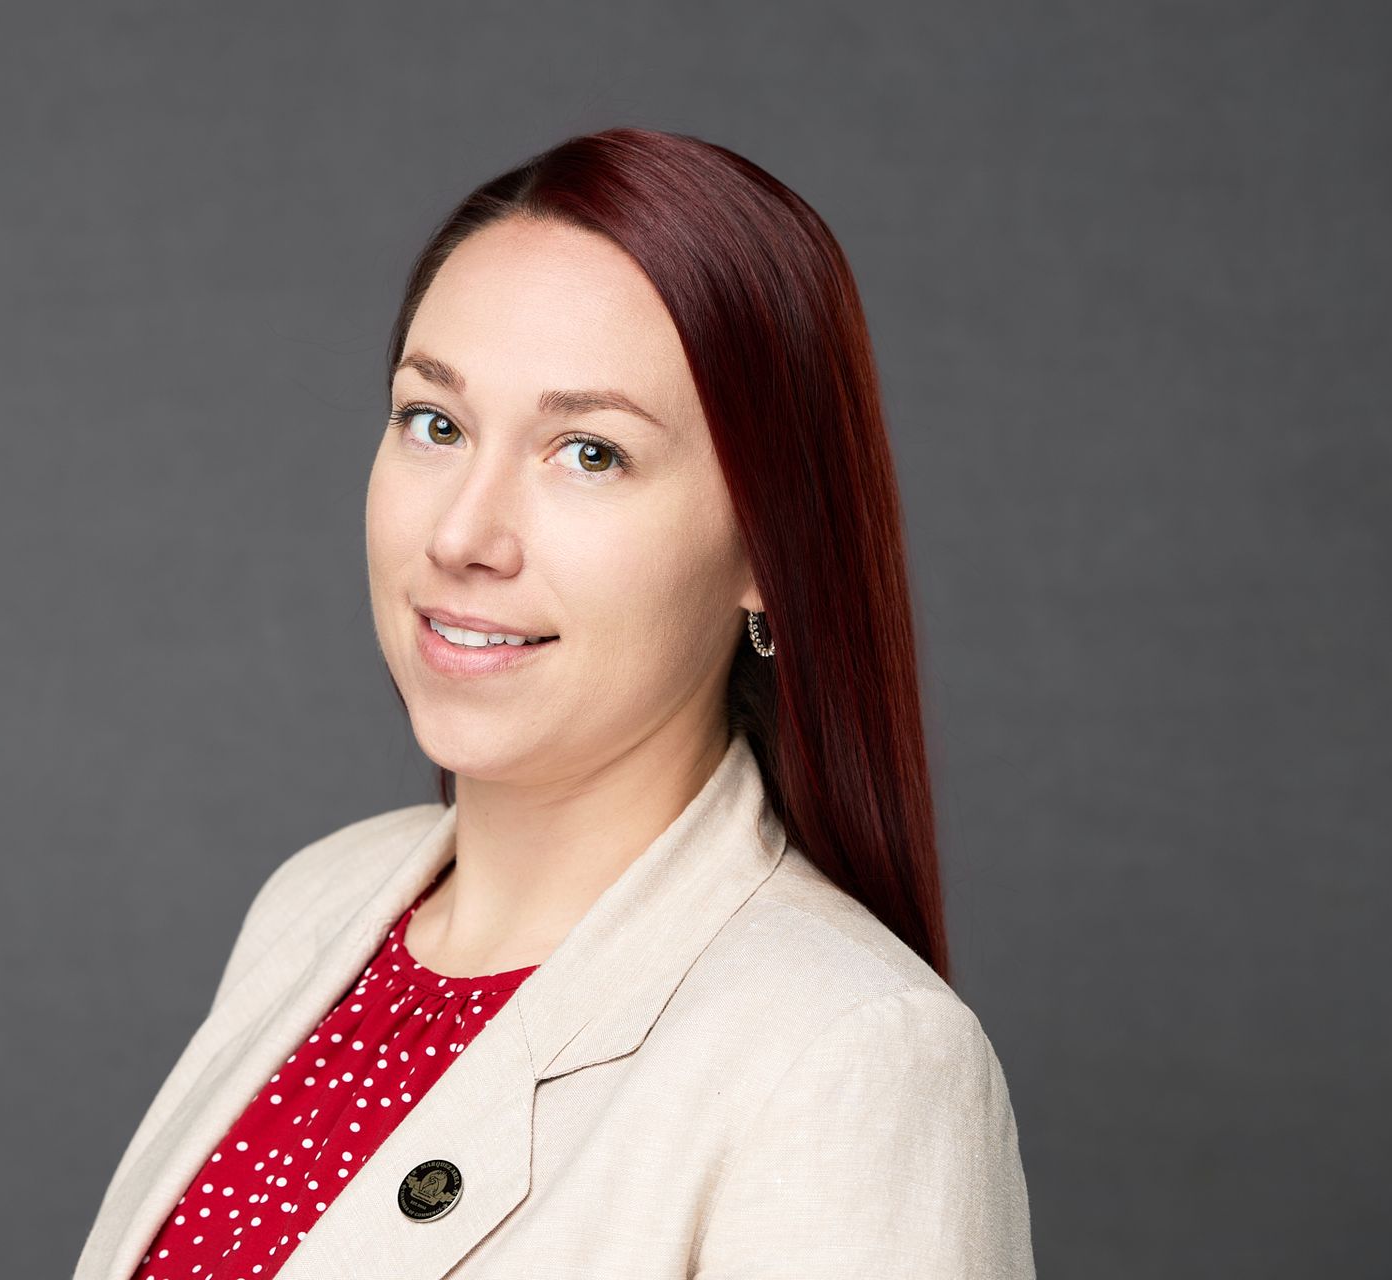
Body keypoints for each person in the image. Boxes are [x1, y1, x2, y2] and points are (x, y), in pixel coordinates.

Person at [73, 126, 1036, 1280]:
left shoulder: (849, 1058)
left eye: (588, 452)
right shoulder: (314, 905)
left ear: (768, 546)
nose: (462, 535)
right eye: (435, 423)